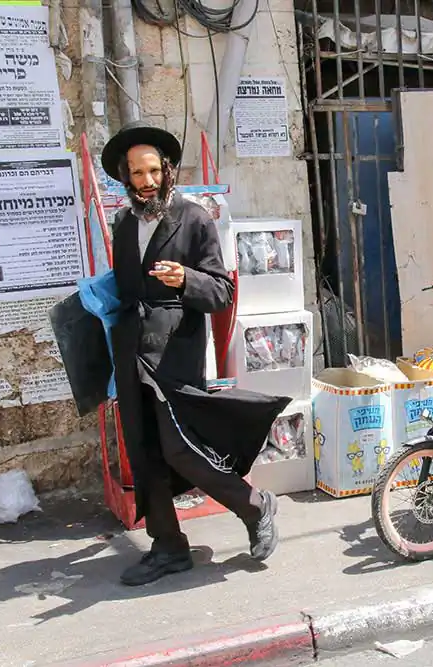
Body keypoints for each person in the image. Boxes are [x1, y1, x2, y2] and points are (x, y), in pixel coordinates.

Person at [101, 121, 292, 586]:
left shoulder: (194, 218)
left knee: (181, 449)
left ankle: (255, 505)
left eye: (153, 171)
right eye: (137, 173)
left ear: (167, 171)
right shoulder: (124, 223)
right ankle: (168, 548)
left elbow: (223, 291)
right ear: (126, 178)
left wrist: (185, 280)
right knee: (145, 452)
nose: (147, 181)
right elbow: (125, 287)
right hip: (132, 349)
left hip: (175, 351)